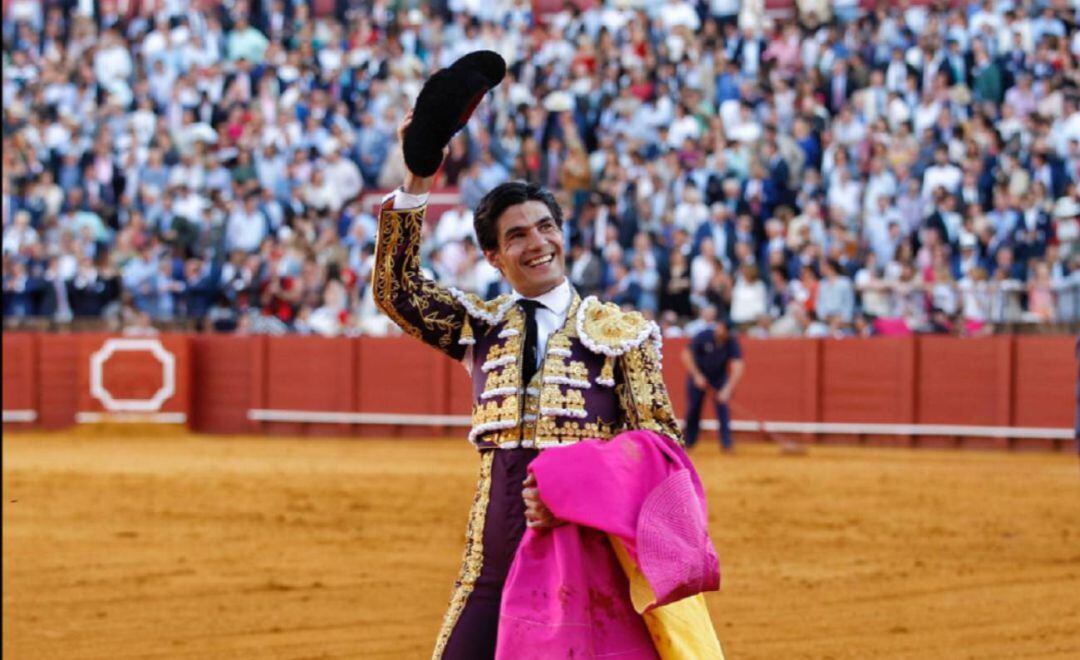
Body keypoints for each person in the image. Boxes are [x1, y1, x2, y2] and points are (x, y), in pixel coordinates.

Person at [373, 112, 687, 659]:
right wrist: (418, 179)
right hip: (490, 568)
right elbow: (396, 290)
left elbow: (662, 456)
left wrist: (575, 493)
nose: (537, 242)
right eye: (517, 235)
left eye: (545, 227)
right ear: (493, 257)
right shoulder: (481, 327)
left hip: (586, 563)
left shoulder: (621, 334)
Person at [682, 317, 746, 452]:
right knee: (694, 409)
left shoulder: (731, 342)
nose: (719, 330)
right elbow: (686, 354)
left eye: (722, 329)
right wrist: (697, 375)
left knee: (723, 410)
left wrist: (727, 389)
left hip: (718, 379)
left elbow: (738, 365)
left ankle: (726, 443)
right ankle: (688, 442)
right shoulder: (704, 336)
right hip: (698, 376)